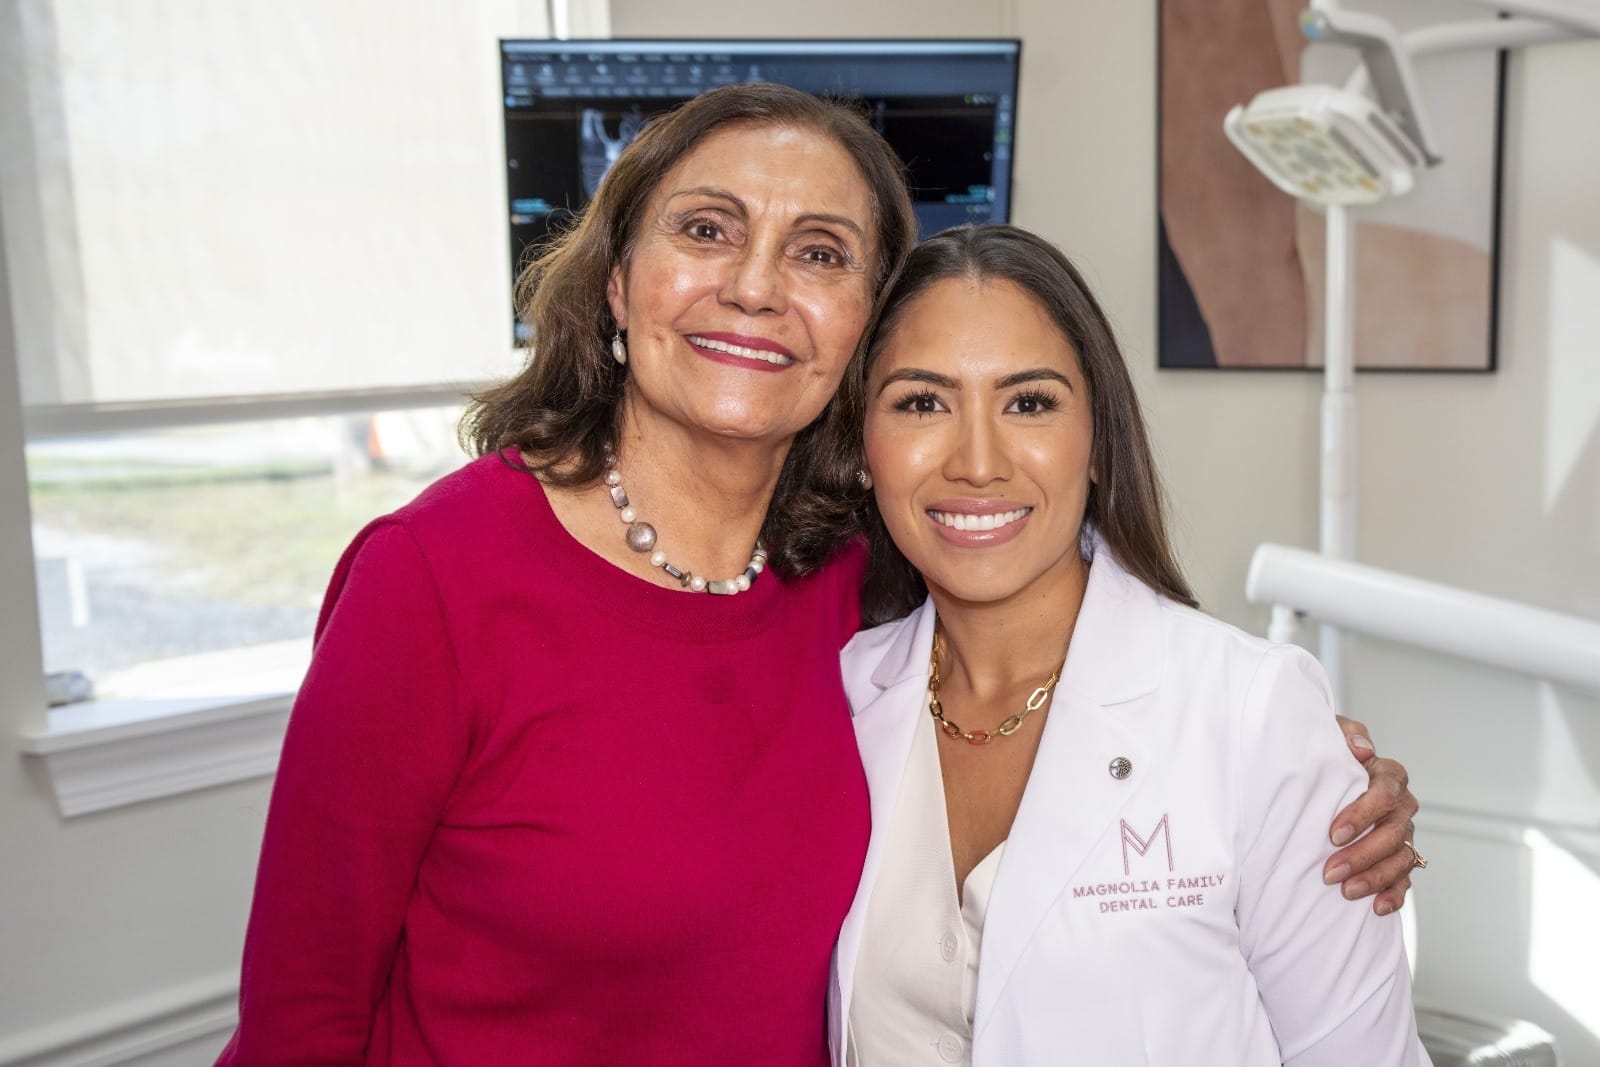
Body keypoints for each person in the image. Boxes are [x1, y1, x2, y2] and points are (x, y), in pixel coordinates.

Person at [217, 85, 1419, 1064]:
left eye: (820, 252)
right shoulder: (433, 581)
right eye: (705, 229)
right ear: (618, 281)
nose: (754, 285)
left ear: (855, 333)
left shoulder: (855, 582)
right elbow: (297, 1022)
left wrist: (1299, 772)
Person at [832, 225, 1428, 1065]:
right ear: (861, 447)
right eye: (922, 403)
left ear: (1098, 442)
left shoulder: (1249, 713)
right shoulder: (839, 697)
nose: (977, 462)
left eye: (1029, 403)